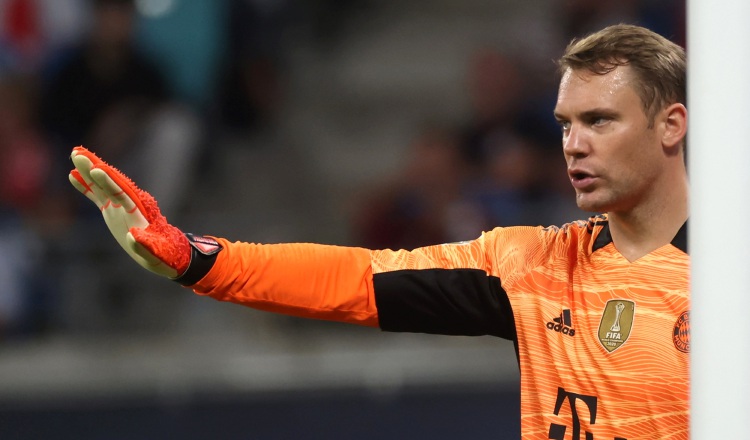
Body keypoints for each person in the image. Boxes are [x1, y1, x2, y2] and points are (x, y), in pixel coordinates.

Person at [68, 23, 689, 439]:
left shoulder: (725, 275)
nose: (573, 145)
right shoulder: (537, 267)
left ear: (670, 126)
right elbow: (357, 278)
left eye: (600, 121)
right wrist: (199, 260)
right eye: (564, 124)